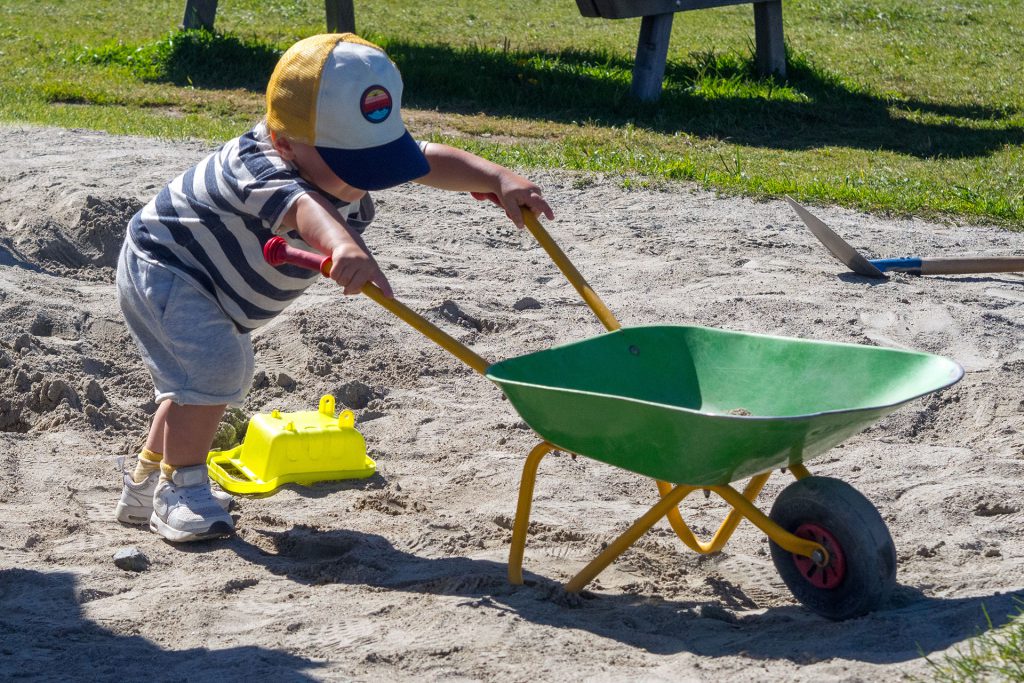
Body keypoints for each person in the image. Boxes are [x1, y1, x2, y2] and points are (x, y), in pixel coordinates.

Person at [114, 33, 554, 542]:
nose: (363, 179)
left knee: (195, 383)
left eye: (377, 161)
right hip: (169, 270)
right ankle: (182, 491)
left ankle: (147, 483)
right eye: (352, 165)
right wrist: (345, 247)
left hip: (213, 289)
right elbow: (305, 208)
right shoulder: (258, 164)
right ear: (285, 143)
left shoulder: (323, 144)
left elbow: (427, 158)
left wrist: (496, 177)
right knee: (215, 371)